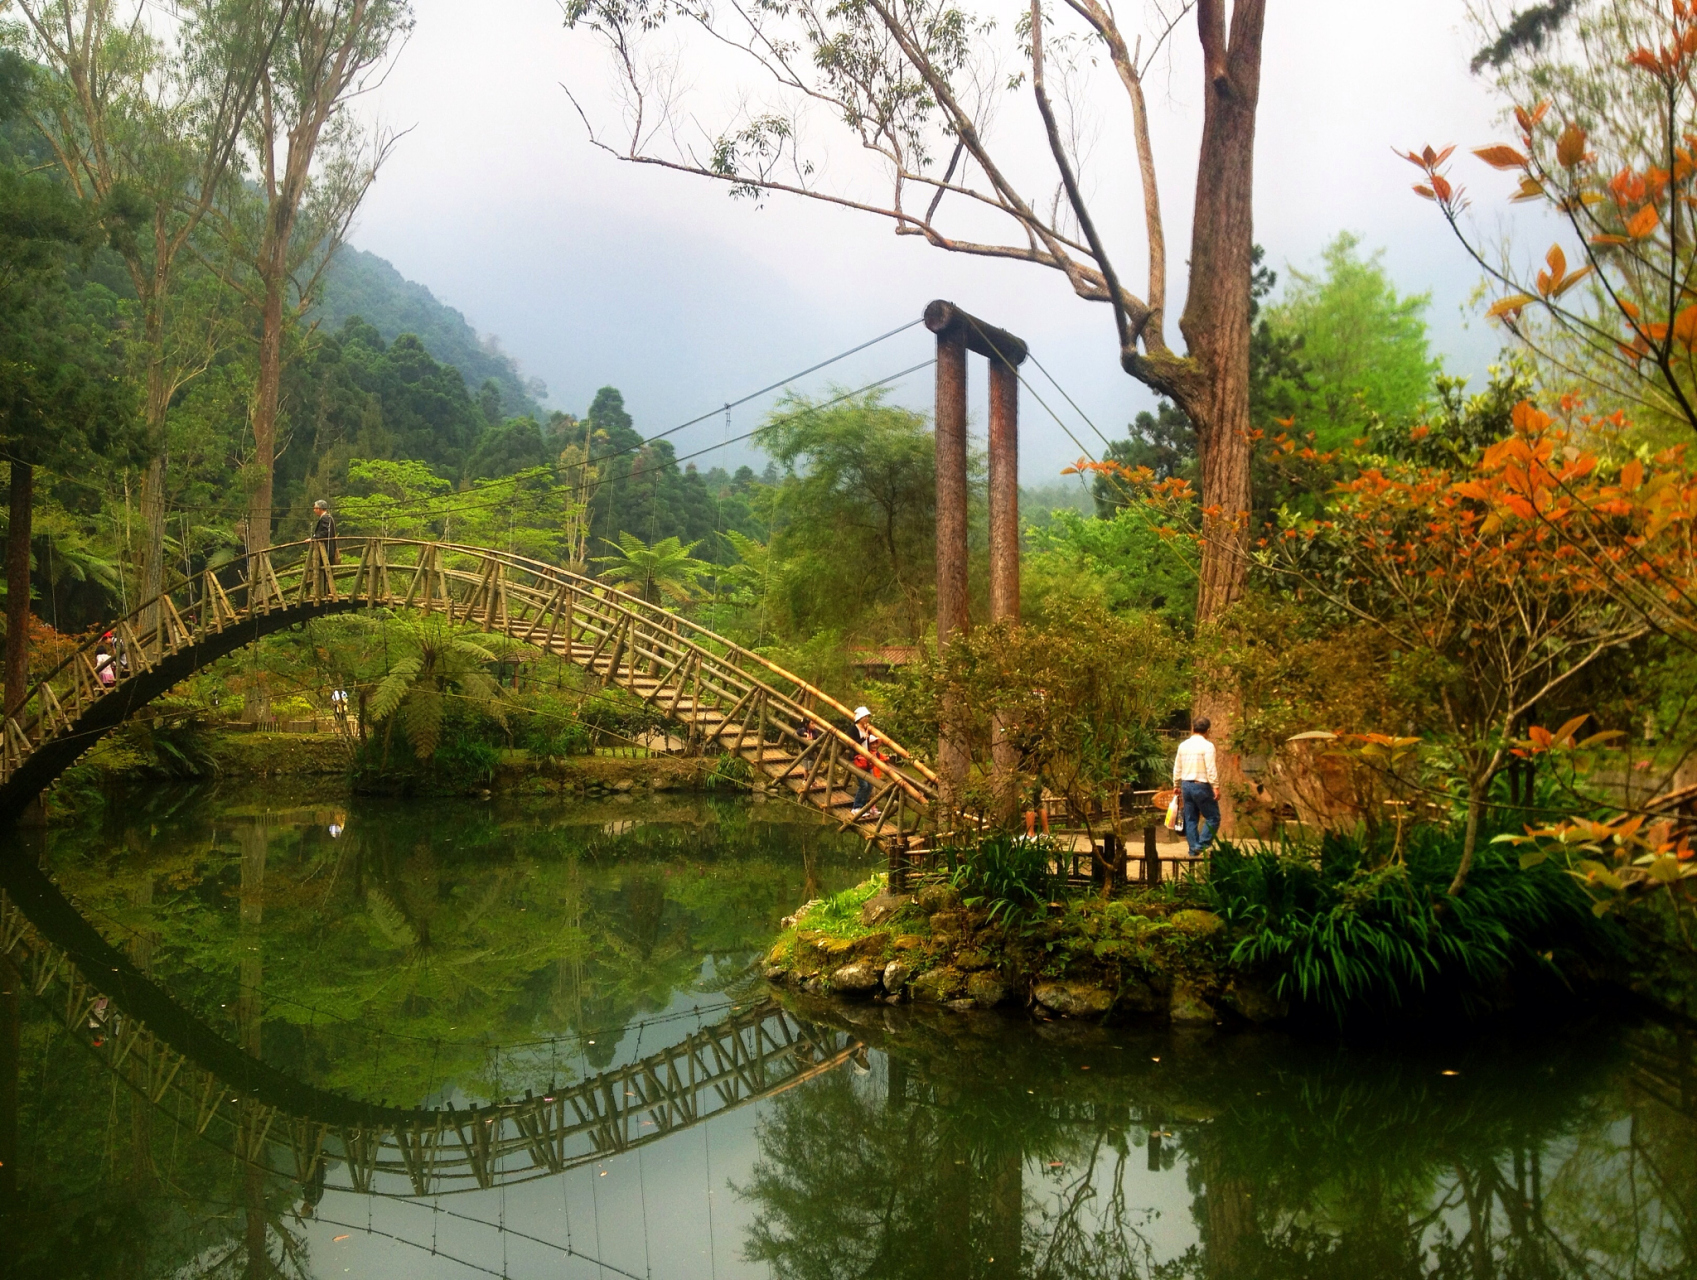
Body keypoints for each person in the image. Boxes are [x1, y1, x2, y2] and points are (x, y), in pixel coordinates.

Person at [1172, 717, 1220, 856]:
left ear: (1193, 728)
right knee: (1213, 817)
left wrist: (1176, 784)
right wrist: (1215, 786)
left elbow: (1177, 767)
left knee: (1191, 817)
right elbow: (1210, 768)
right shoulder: (1208, 746)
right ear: (1208, 730)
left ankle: (1193, 849)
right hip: (1201, 785)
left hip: (1186, 785)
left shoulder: (1183, 745)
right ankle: (1202, 844)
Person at [849, 706, 880, 821]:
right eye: (865, 716)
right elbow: (851, 744)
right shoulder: (853, 729)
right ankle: (856, 807)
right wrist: (863, 738)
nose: (867, 718)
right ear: (860, 717)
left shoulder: (866, 728)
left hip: (866, 760)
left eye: (867, 716)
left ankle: (863, 807)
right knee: (864, 785)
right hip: (857, 759)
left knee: (870, 785)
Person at [311, 499, 338, 564]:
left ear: (319, 508)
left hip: (326, 550)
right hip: (328, 549)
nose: (314, 510)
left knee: (324, 570)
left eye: (315, 508)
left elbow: (325, 532)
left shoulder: (325, 518)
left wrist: (314, 538)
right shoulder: (328, 517)